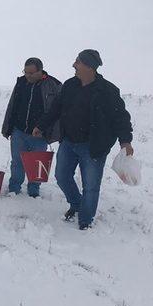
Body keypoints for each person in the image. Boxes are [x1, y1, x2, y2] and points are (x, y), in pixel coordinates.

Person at [34, 49, 133, 230]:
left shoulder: (108, 91)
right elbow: (55, 109)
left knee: (91, 186)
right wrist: (41, 125)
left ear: (89, 66)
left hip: (93, 146)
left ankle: (85, 220)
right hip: (69, 142)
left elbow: (121, 118)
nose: (74, 65)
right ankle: (76, 204)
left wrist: (125, 141)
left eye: (77, 62)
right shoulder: (70, 85)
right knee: (61, 176)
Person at [1, 58, 62, 197]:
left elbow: (57, 111)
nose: (27, 75)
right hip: (19, 131)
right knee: (17, 161)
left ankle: (34, 189)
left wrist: (49, 131)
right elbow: (12, 106)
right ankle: (14, 188)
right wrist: (8, 127)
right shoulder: (21, 83)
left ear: (40, 71)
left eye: (31, 73)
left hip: (40, 134)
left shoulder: (53, 85)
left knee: (37, 163)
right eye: (26, 72)